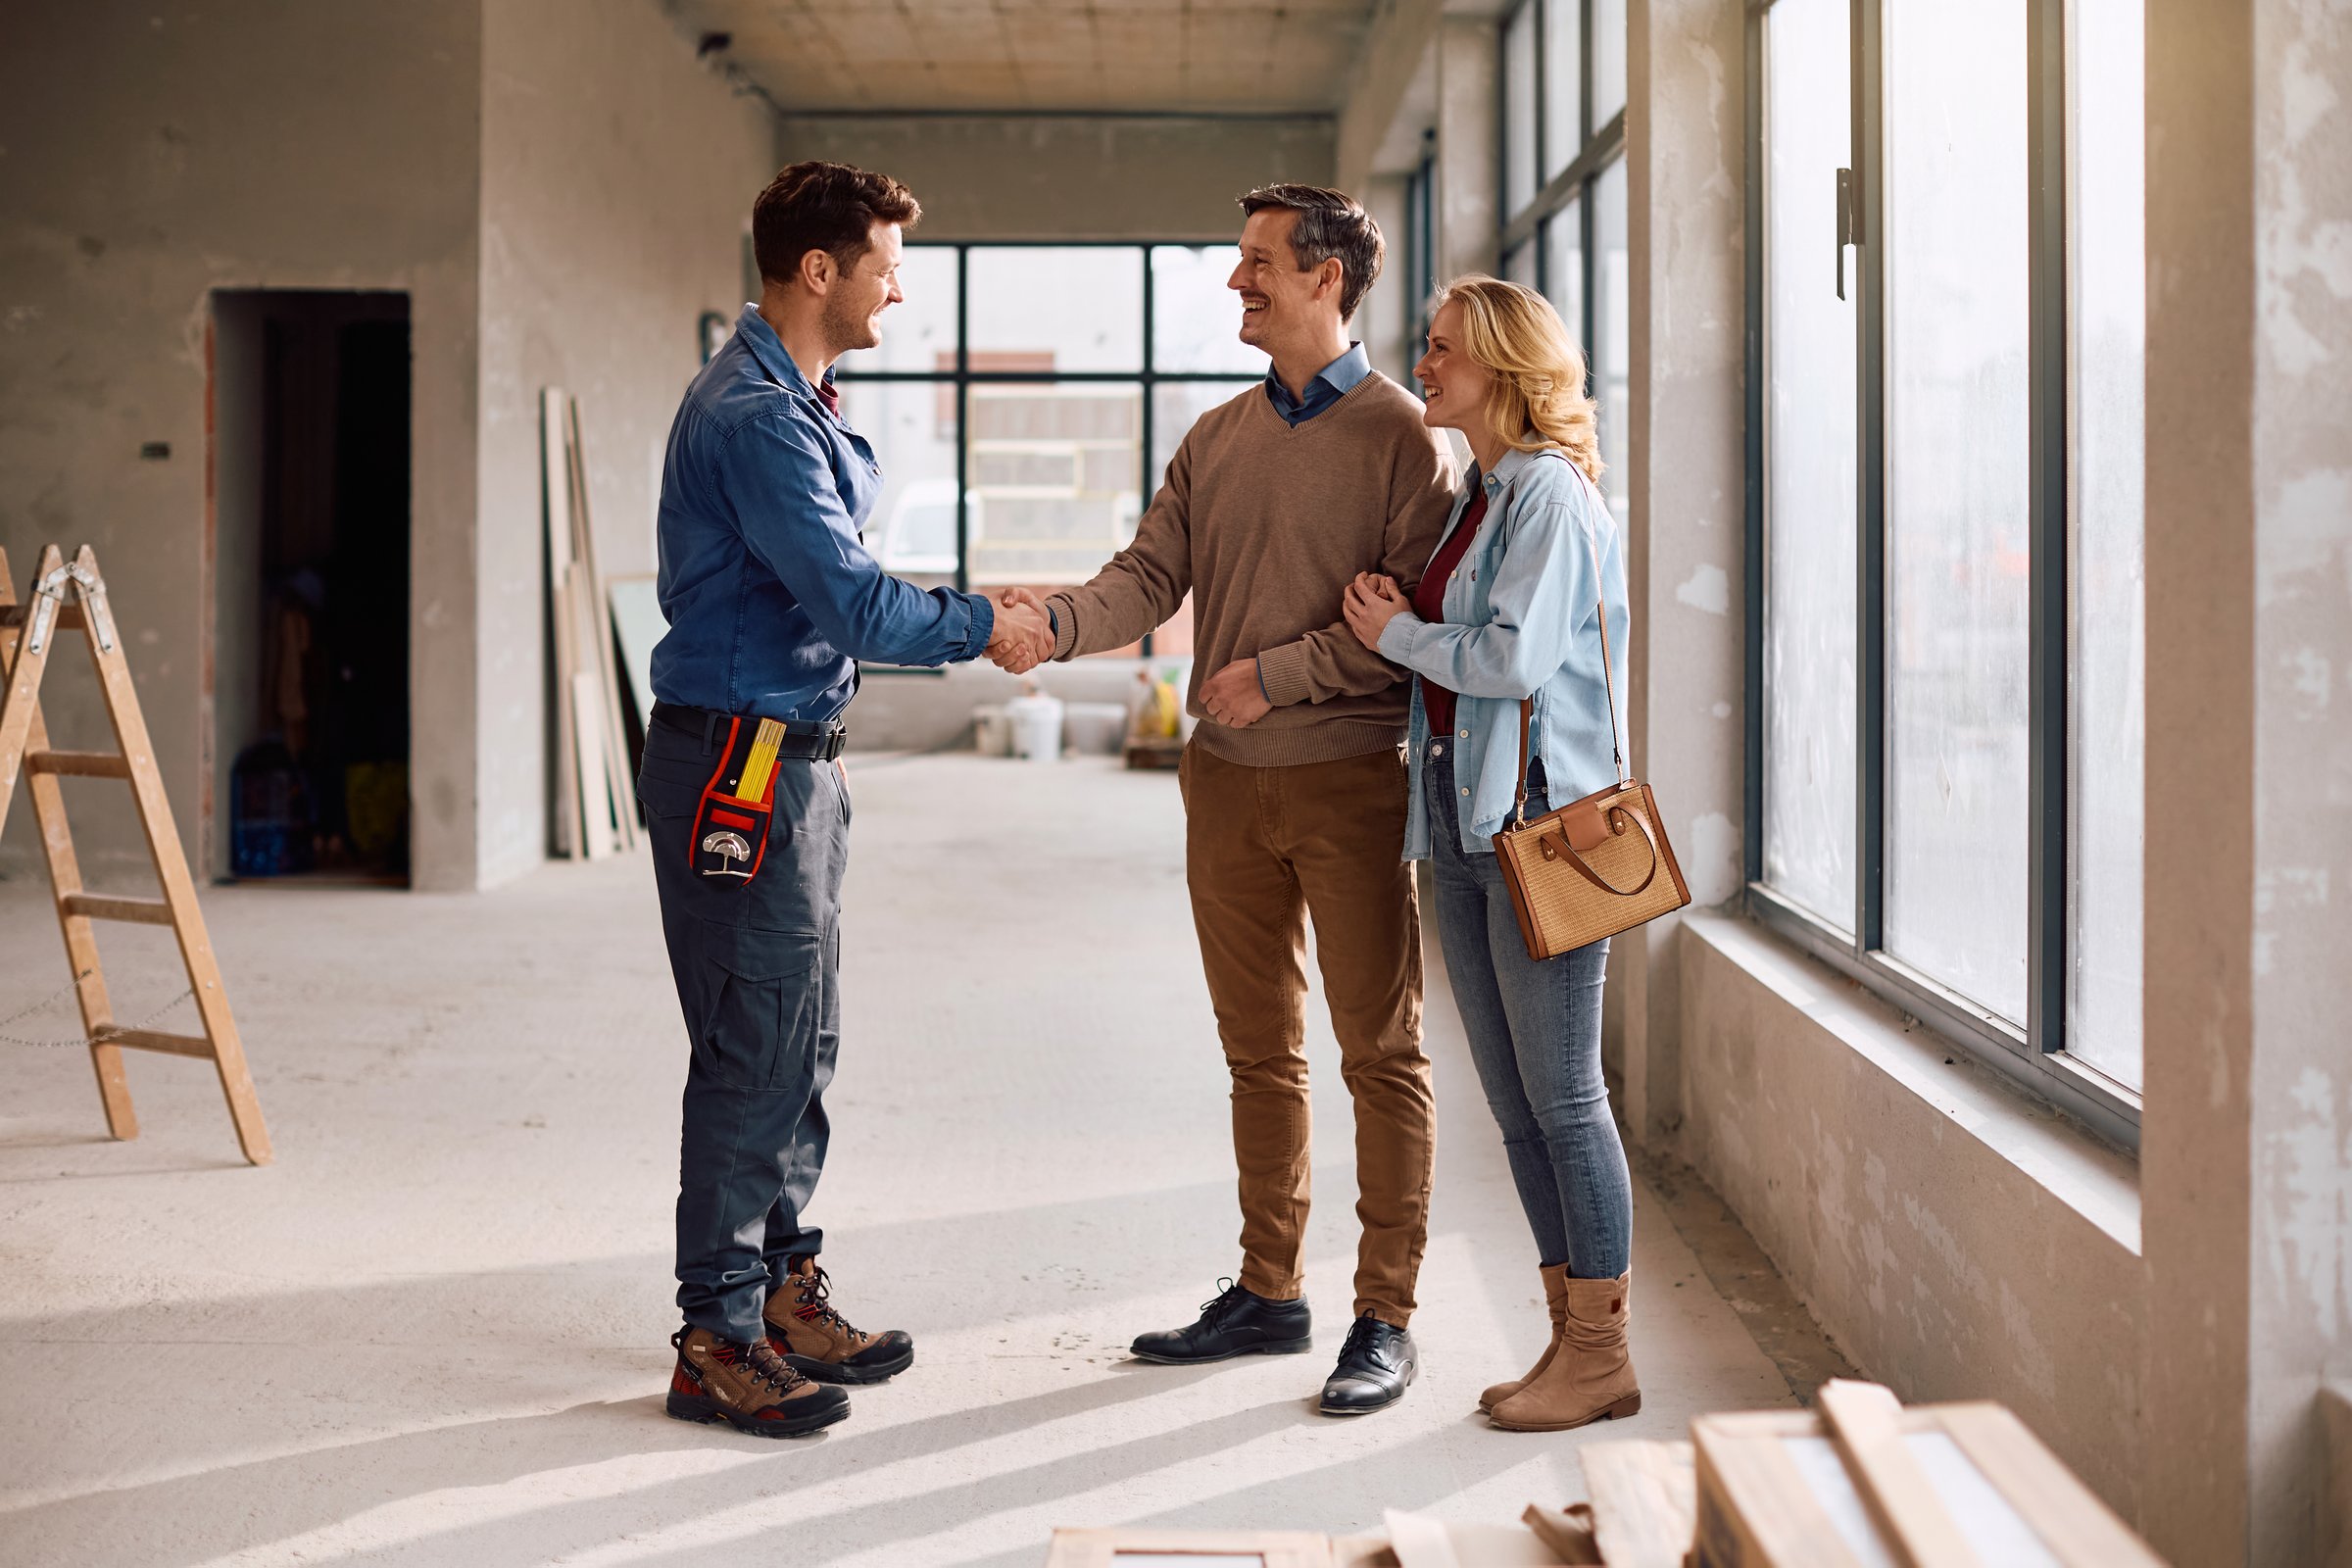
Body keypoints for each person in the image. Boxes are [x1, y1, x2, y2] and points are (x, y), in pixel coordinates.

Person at [1004, 185, 1455, 1416]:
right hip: (1224, 787)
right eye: (1236, 261)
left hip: (1351, 783)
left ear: (1325, 279)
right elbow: (1148, 576)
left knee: (1382, 1053)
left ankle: (1385, 1314)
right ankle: (1270, 1290)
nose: (1236, 282)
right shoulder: (1214, 436)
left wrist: (1280, 674)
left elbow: (1414, 626)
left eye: (1258, 263)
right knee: (1260, 1052)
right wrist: (1050, 625)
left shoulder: (1407, 439)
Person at [639, 160, 1053, 1438]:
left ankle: (778, 1288)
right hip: (741, 765)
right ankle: (714, 1332)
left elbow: (844, 585)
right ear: (818, 269)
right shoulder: (756, 417)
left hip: (794, 761)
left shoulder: (795, 398)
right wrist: (992, 621)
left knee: (800, 1037)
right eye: (885, 263)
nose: (897, 286)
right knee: (753, 1041)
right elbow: (857, 602)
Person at [1340, 275, 1639, 1433]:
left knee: (1566, 1098)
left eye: (1443, 347)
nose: (1425, 362)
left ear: (1504, 368)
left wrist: (1393, 632)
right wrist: (1402, 624)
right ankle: (1569, 1339)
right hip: (1465, 829)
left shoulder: (1552, 497)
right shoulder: (1481, 492)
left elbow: (1511, 664)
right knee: (1515, 1106)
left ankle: (1604, 1350)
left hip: (1544, 835)